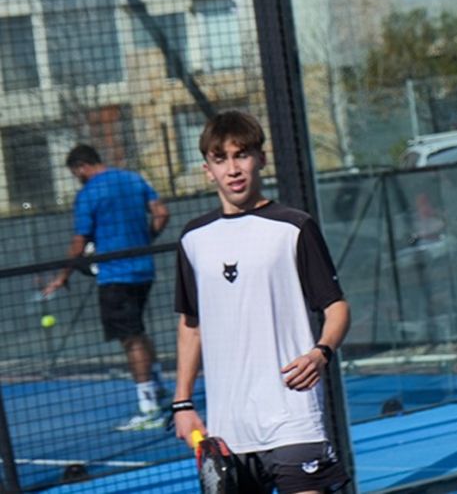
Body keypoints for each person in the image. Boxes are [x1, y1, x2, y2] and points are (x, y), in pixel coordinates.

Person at [171, 110, 350, 493]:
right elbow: (191, 324)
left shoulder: (294, 227)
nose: (233, 169)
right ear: (208, 170)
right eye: (221, 159)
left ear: (261, 159)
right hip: (227, 431)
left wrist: (321, 352)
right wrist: (182, 404)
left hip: (293, 415)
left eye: (242, 155)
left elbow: (336, 307)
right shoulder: (192, 239)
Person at [44, 144, 171, 431]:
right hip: (143, 270)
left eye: (75, 173)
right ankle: (158, 385)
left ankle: (149, 408)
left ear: (80, 167)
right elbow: (162, 213)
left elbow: (79, 241)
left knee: (130, 339)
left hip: (116, 275)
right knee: (137, 330)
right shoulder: (133, 179)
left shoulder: (89, 193)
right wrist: (142, 242)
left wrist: (64, 275)